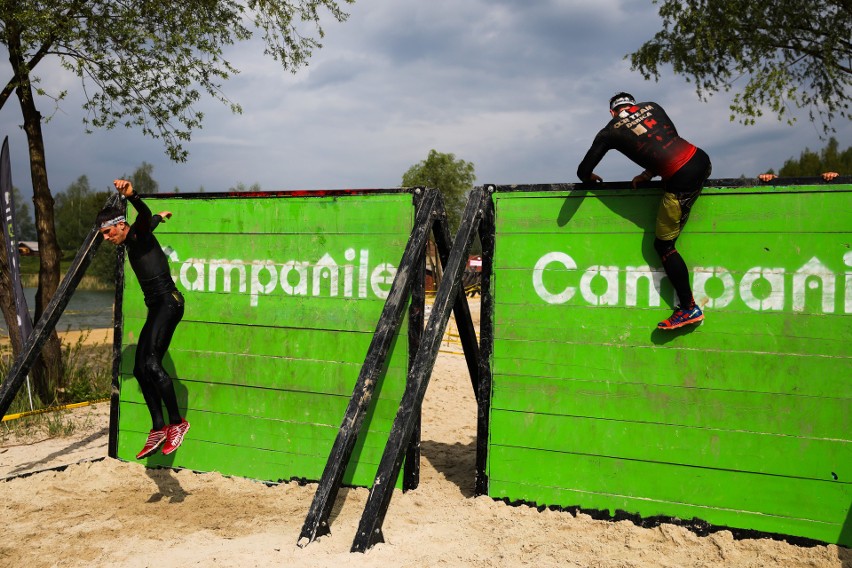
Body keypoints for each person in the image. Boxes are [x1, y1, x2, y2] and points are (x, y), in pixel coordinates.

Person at [577, 92, 712, 330]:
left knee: (663, 246)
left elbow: (583, 171)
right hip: (701, 159)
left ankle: (689, 308)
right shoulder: (653, 106)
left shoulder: (609, 131)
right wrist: (648, 174)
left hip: (681, 178)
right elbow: (666, 142)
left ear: (612, 112)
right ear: (634, 104)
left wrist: (589, 178)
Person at [97, 179, 190, 458]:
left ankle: (177, 423)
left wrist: (133, 196)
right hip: (157, 307)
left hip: (169, 303)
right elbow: (152, 222)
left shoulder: (136, 235)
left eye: (108, 231)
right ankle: (158, 428)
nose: (106, 237)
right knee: (140, 369)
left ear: (121, 225)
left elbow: (144, 219)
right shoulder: (137, 235)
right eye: (102, 234)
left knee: (151, 363)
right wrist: (162, 216)